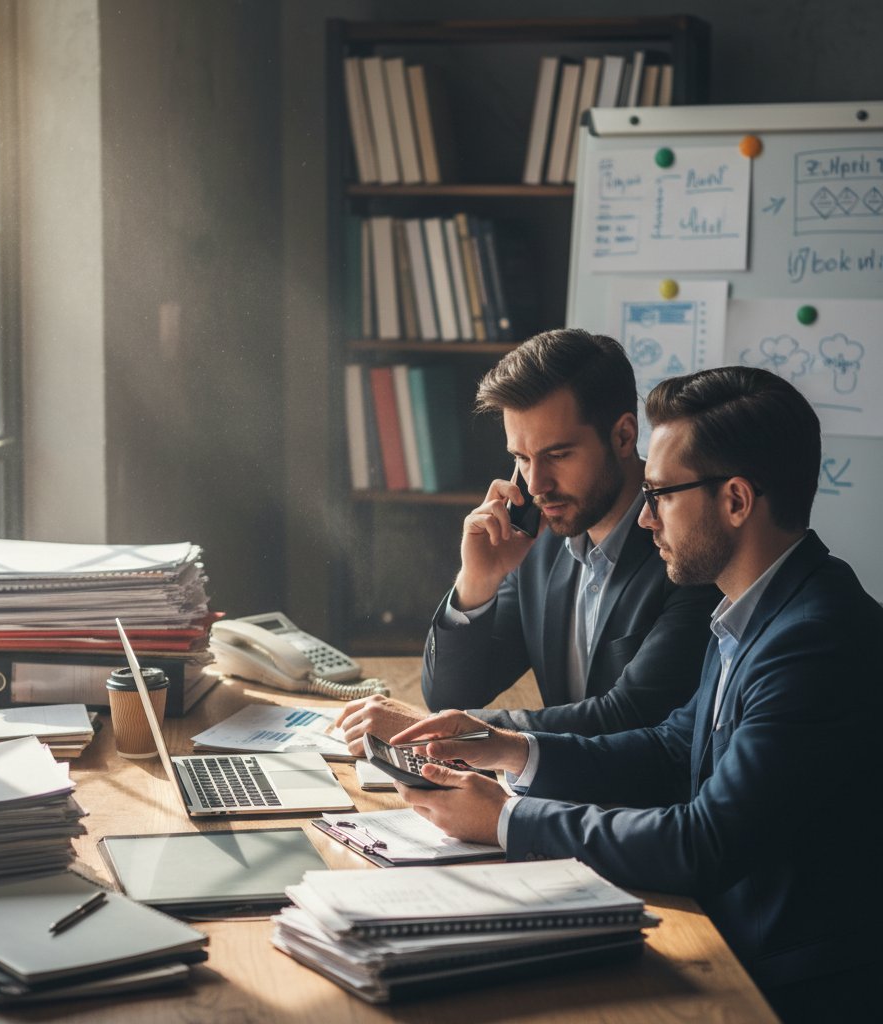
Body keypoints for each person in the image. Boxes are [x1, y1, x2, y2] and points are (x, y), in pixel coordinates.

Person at [390, 366, 882, 1022]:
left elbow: (706, 841)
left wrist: (506, 820)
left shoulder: (814, 637)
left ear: (736, 500)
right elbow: (674, 745)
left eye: (662, 495)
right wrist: (510, 750)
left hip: (787, 986)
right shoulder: (760, 605)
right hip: (729, 944)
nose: (645, 518)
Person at [337, 329, 719, 755]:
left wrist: (444, 731)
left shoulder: (687, 549)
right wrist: (476, 582)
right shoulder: (541, 543)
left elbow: (629, 716)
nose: (536, 485)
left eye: (557, 455)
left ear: (624, 437)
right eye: (521, 458)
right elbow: (452, 695)